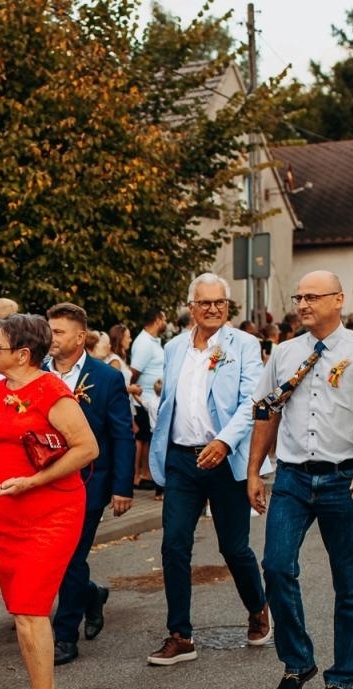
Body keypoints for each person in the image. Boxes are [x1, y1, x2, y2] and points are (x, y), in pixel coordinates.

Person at [247, 271, 353, 689]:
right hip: (294, 477)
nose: (302, 304)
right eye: (299, 297)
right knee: (276, 566)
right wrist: (254, 471)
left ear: (338, 299)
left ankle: (343, 676)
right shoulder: (284, 353)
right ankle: (298, 663)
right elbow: (266, 412)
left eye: (312, 296)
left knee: (350, 585)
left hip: (347, 477)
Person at [0, 313, 99, 689]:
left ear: (23, 354)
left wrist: (33, 482)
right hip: (8, 516)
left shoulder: (51, 390)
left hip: (53, 511)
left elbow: (88, 448)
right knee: (21, 613)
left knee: (31, 611)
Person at [147, 274, 269, 667]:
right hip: (183, 460)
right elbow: (169, 400)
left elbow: (253, 400)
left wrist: (224, 441)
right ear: (191, 307)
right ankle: (180, 635)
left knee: (233, 547)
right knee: (174, 544)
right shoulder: (174, 346)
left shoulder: (244, 345)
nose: (213, 309)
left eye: (220, 302)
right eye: (205, 303)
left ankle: (258, 607)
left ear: (227, 306)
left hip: (226, 459)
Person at [45, 302, 133, 666]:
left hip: (90, 482)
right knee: (55, 559)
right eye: (49, 330)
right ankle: (92, 595)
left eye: (59, 332)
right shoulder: (37, 374)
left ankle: (65, 634)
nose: (51, 338)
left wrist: (122, 487)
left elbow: (122, 434)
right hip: (46, 481)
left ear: (80, 337)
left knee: (71, 557)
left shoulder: (106, 377)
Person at [130, 308, 168, 492]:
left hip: (152, 399)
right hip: (144, 399)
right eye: (165, 318)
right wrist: (133, 392)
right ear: (158, 319)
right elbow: (134, 372)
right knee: (145, 438)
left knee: (148, 438)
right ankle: (142, 475)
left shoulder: (153, 341)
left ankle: (147, 474)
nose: (166, 322)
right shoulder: (144, 342)